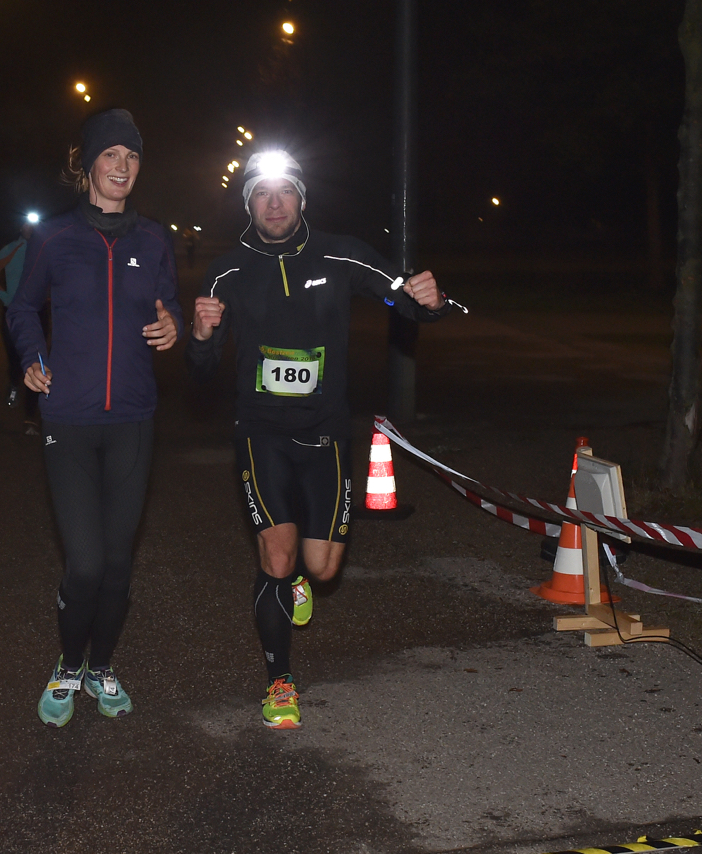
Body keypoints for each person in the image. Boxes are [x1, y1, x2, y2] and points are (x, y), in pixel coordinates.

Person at [185, 150, 452, 729]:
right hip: (260, 435)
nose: (274, 202)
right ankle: (280, 680)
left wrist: (432, 303)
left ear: (301, 199)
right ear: (249, 203)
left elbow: (401, 295)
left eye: (284, 192)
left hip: (326, 433)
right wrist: (202, 334)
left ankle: (300, 580)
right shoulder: (226, 272)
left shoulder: (341, 253)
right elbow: (200, 367)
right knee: (276, 558)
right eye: (261, 193)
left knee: (322, 569)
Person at [7, 109, 183, 727]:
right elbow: (23, 306)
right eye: (111, 155)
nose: (122, 167)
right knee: (84, 563)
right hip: (69, 421)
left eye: (132, 158)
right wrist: (31, 357)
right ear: (86, 165)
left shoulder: (154, 239)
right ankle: (67, 664)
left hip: (133, 418)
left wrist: (172, 327)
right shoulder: (54, 237)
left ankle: (102, 667)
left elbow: (171, 309)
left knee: (116, 565)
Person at [0, 215, 43, 433]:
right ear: (21, 227)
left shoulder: (43, 251)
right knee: (15, 358)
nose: (31, 228)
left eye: (35, 225)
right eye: (28, 224)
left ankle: (30, 418)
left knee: (36, 359)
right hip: (13, 312)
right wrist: (8, 298)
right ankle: (13, 384)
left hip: (37, 313)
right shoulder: (12, 249)